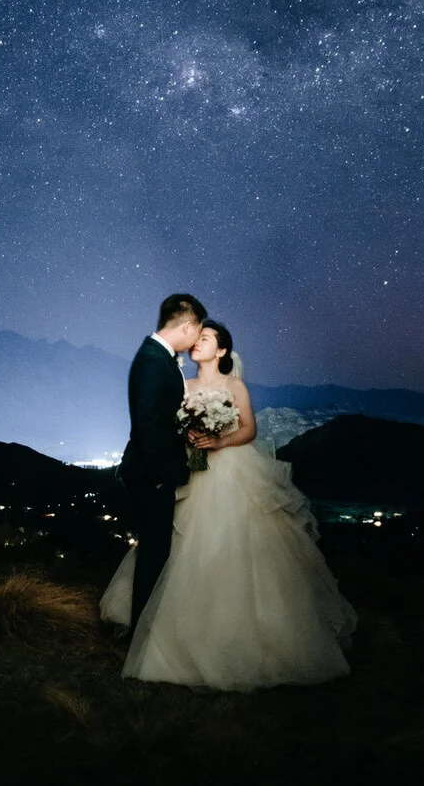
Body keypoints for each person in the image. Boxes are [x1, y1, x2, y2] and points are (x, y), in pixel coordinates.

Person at [101, 318, 356, 691]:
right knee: (180, 546)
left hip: (231, 471)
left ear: (221, 350)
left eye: (206, 339)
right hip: (191, 472)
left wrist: (218, 441)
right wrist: (189, 433)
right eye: (196, 338)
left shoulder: (234, 385)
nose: (197, 343)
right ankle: (178, 628)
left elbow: (249, 428)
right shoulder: (182, 385)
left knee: (232, 544)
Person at [115, 293, 206, 629]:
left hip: (155, 472)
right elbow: (147, 423)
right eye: (198, 329)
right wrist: (159, 475)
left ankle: (147, 628)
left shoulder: (159, 357)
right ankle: (143, 632)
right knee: (153, 555)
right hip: (151, 476)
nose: (198, 337)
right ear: (188, 325)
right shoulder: (154, 361)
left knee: (156, 553)